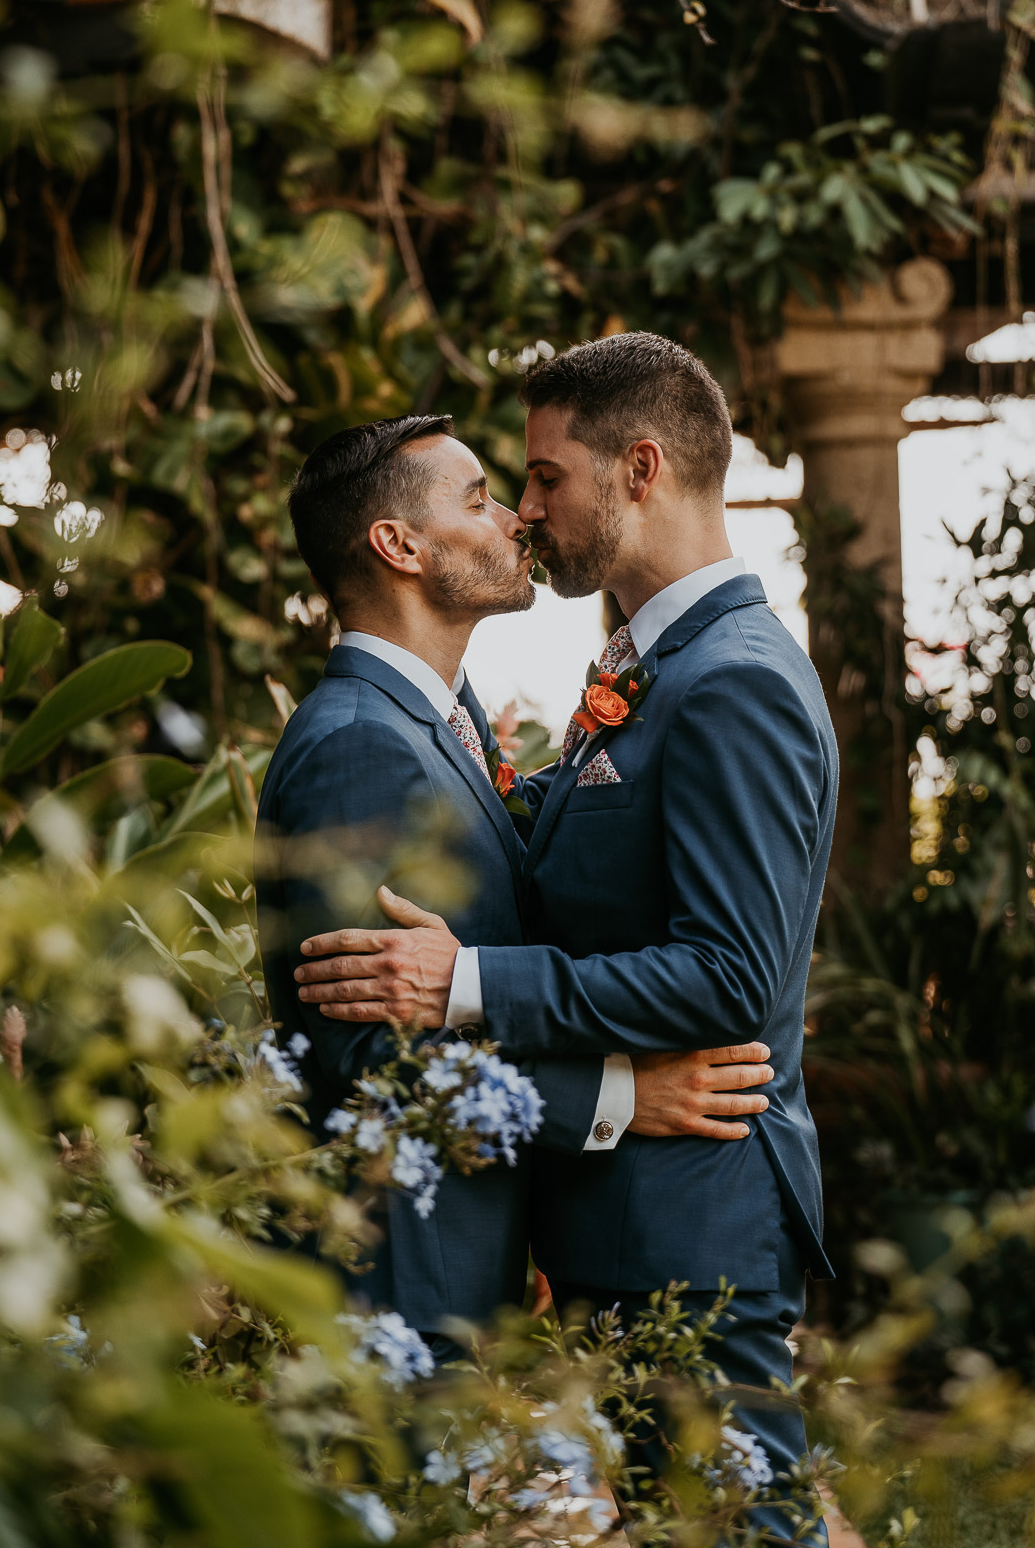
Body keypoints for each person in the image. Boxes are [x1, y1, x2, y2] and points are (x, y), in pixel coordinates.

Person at [293, 336, 837, 1542]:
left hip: (692, 1220)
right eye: (505, 489)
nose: (528, 513)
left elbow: (731, 971)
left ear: (639, 468)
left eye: (542, 479)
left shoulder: (731, 679)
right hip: (625, 1232)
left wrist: (465, 980)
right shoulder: (653, 670)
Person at [256, 412, 776, 1363]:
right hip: (393, 1282)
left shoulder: (438, 723)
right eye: (480, 498)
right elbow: (362, 1053)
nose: (514, 520)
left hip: (458, 1269)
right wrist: (616, 1097)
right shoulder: (359, 746)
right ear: (398, 545)